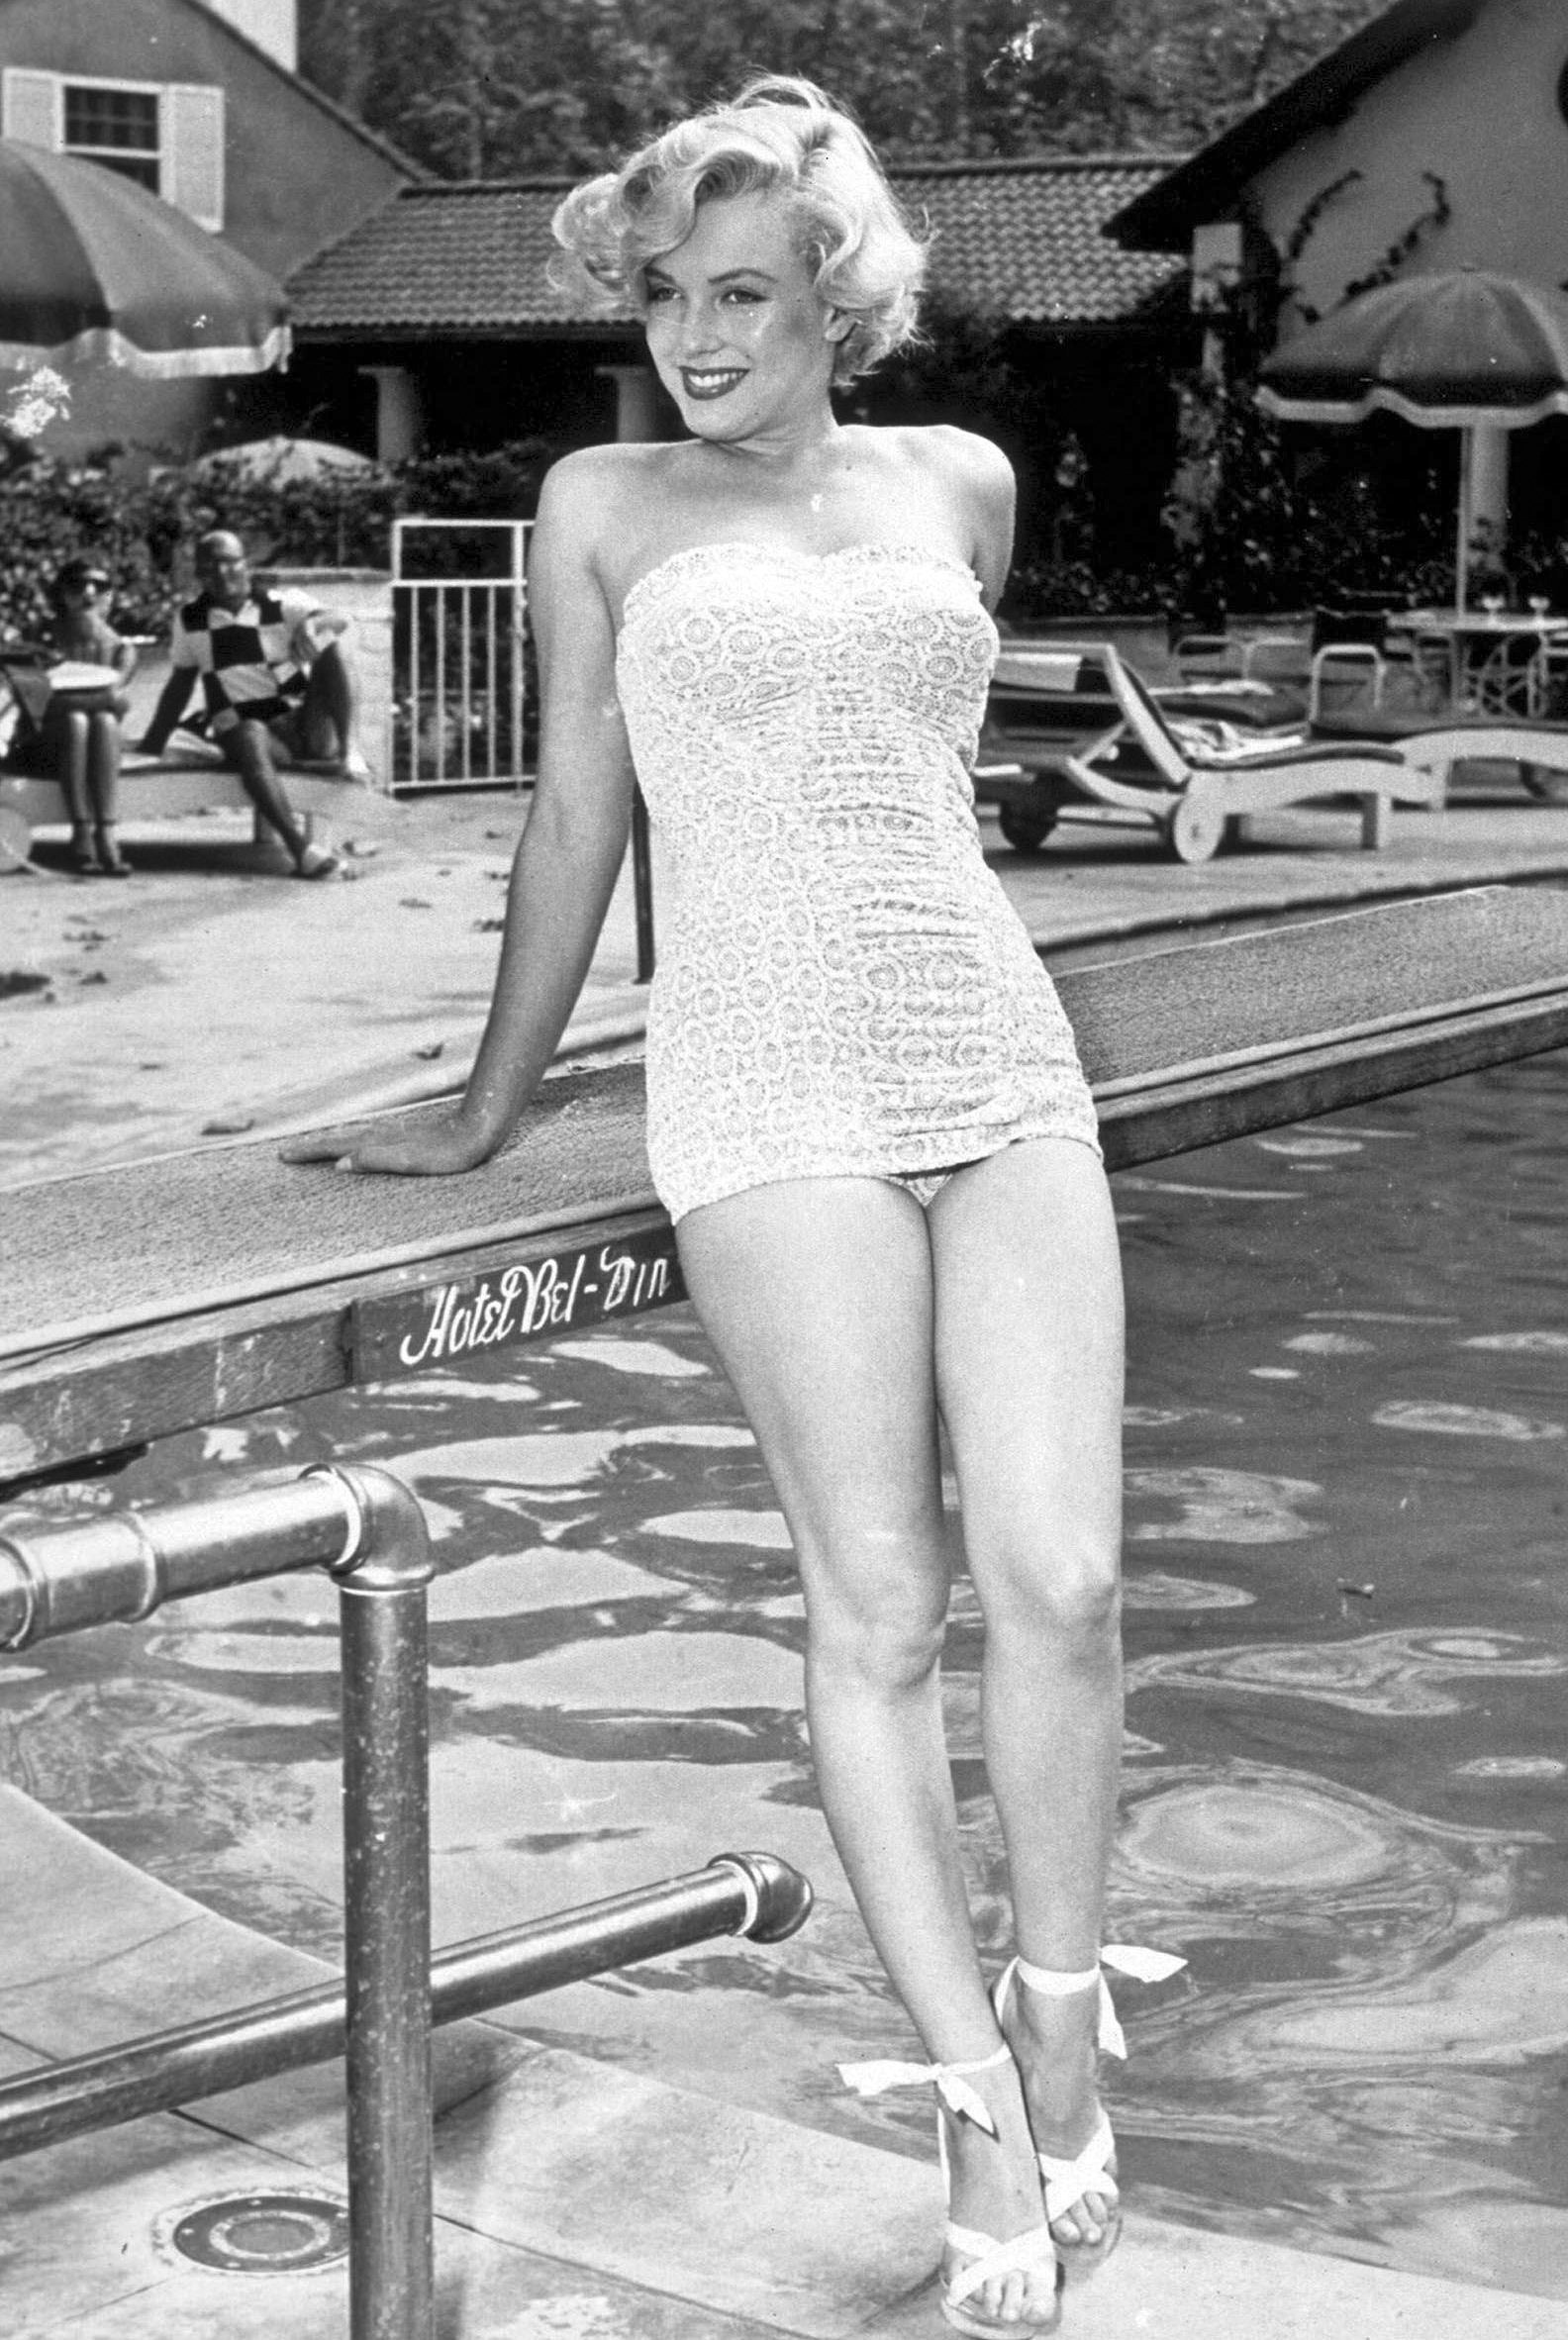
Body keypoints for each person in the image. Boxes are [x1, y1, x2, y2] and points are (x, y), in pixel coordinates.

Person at [281, 78, 1182, 2336]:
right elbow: (576, 817)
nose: (695, 335)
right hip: (764, 1072)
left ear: (833, 303)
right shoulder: (598, 504)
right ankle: (967, 2095)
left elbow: (922, 777)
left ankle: (1064, 2016)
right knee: (877, 1596)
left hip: (993, 1042)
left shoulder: (956, 482)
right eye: (669, 294)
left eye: (745, 294)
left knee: (1063, 1579)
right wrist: (483, 1111)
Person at [135, 529, 372, 879]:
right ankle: (302, 851)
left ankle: (351, 752)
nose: (221, 573)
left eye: (229, 562)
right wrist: (153, 742)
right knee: (248, 731)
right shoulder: (190, 619)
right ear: (199, 574)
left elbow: (342, 620)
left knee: (331, 645)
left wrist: (314, 624)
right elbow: (179, 684)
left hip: (303, 725)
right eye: (209, 567)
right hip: (253, 736)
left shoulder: (282, 603)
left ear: (246, 563)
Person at [8, 556, 139, 875]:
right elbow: (36, 706)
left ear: (110, 596)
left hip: (97, 742)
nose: (89, 593)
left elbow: (118, 703)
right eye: (78, 586)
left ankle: (104, 831)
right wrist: (101, 699)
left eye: (100, 586)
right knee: (79, 721)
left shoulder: (122, 649)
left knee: (103, 721)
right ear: (62, 594)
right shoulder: (35, 639)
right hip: (39, 743)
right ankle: (82, 830)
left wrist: (80, 699)